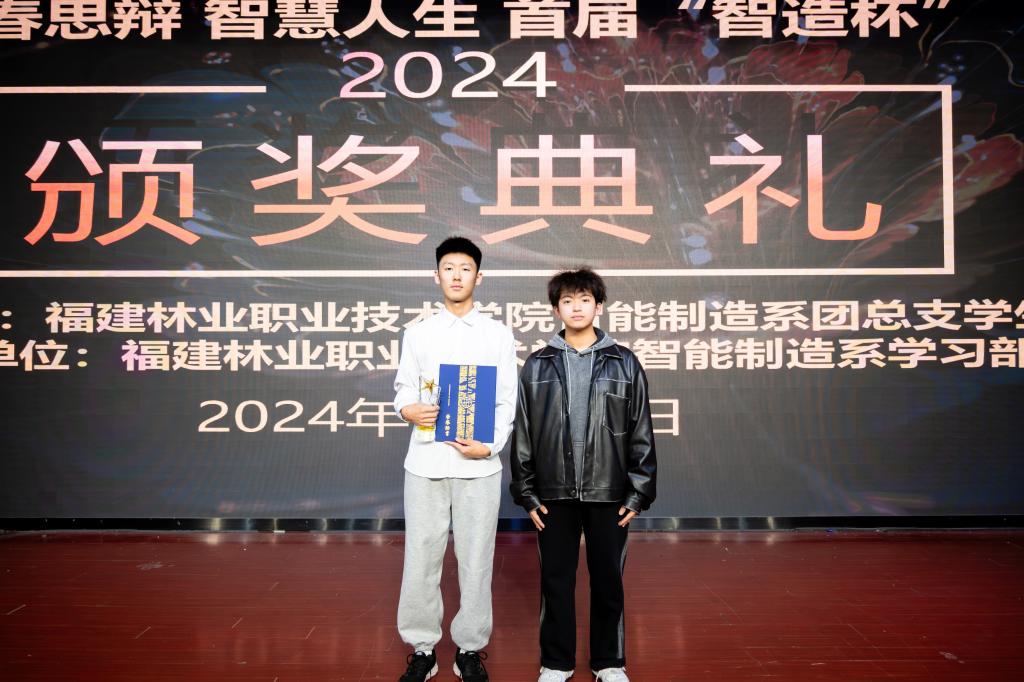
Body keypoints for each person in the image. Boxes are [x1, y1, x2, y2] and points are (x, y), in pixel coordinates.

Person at [510, 267, 657, 682]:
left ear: (599, 306)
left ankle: (609, 662)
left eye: (585, 300)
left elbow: (641, 430)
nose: (577, 308)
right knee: (555, 581)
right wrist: (526, 492)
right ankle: (556, 663)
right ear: (556, 309)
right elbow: (523, 432)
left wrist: (638, 493)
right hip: (552, 494)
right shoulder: (537, 365)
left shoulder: (624, 362)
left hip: (609, 492)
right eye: (568, 301)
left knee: (608, 581)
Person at [392, 236, 517, 682]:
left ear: (478, 277)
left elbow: (506, 400)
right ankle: (422, 649)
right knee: (421, 557)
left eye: (465, 268)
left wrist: (491, 445)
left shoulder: (498, 334)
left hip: (478, 465)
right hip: (425, 462)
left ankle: (469, 648)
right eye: (449, 268)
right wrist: (407, 409)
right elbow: (404, 388)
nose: (457, 275)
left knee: (477, 558)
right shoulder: (418, 333)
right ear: (437, 276)